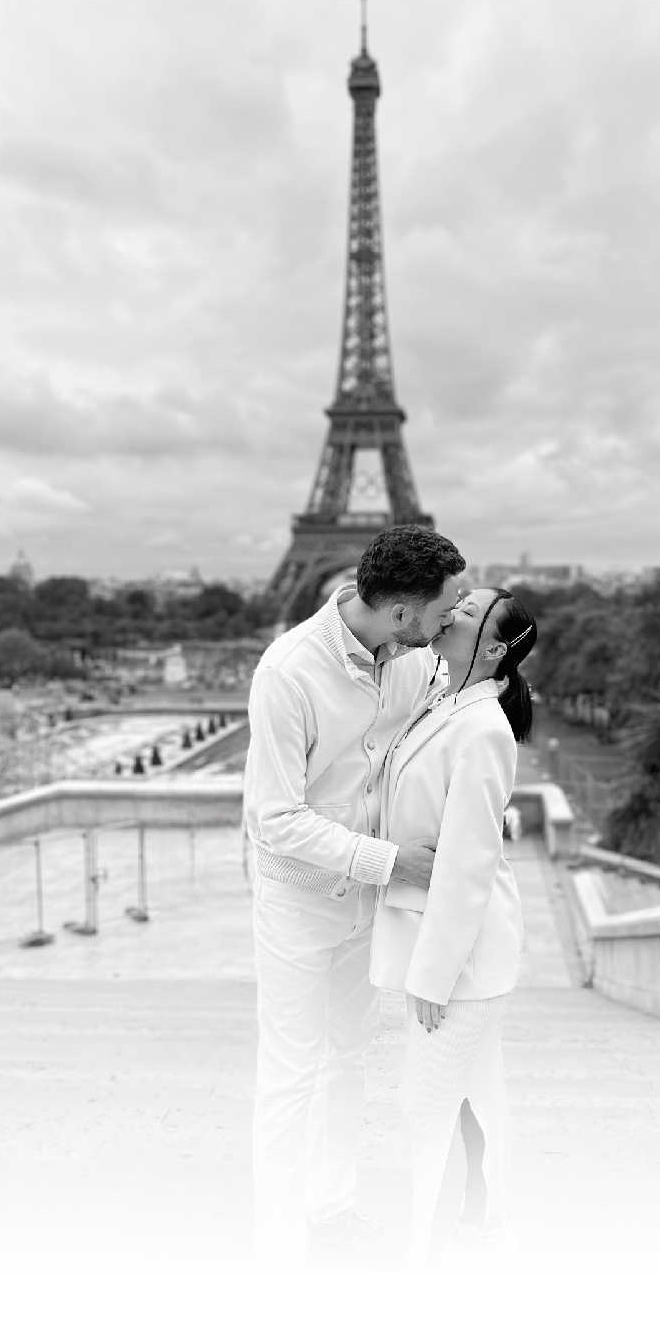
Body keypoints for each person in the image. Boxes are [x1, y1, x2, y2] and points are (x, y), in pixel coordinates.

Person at [244, 524, 466, 1275]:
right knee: (289, 1074)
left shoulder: (414, 660)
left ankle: (330, 1209)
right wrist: (392, 861)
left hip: (366, 900)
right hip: (298, 900)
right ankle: (277, 1253)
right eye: (443, 608)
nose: (448, 620)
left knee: (345, 1062)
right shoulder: (288, 671)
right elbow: (274, 818)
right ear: (401, 611)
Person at [370, 587, 537, 1275]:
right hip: (442, 939)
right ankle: (484, 1224)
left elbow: (469, 862)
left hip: (462, 955)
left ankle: (464, 1234)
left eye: (467, 612)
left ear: (494, 648)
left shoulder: (483, 727)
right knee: (470, 1094)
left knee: (426, 1103)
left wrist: (433, 974)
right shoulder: (444, 696)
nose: (452, 612)